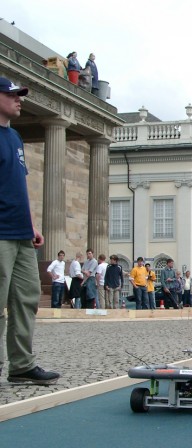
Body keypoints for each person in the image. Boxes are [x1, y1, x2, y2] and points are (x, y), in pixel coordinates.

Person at [0, 76, 60, 384]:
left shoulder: (14, 137)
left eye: (20, 95)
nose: (19, 99)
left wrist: (32, 223)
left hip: (21, 233)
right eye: (12, 95)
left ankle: (21, 365)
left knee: (26, 299)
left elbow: (19, 185)